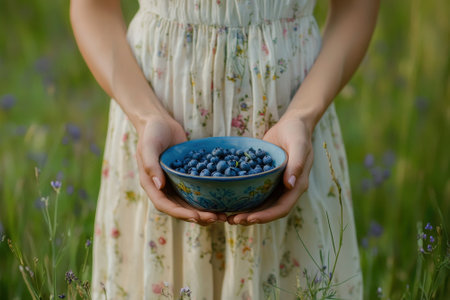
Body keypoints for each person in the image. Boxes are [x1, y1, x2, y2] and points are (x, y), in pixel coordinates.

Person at [70, 0, 379, 298]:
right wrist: (146, 116)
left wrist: (304, 116)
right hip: (153, 124)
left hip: (294, 128)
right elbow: (94, 8)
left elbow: (356, 7)